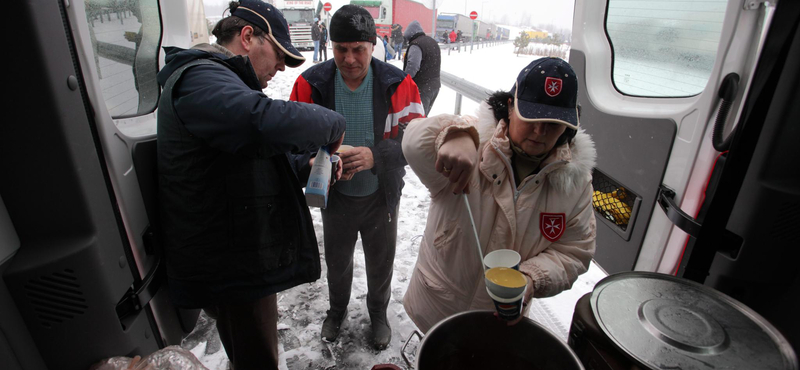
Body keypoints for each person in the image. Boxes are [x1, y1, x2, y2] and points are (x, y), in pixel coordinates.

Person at [156, 1, 346, 368]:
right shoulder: (200, 76)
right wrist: (331, 124)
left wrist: (305, 165)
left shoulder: (220, 81)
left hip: (237, 252)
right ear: (247, 37)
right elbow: (257, 124)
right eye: (279, 56)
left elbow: (248, 156)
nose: (279, 68)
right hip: (229, 262)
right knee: (256, 358)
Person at [401, 57, 597, 333]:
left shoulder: (575, 184)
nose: (540, 132)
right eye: (531, 117)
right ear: (510, 105)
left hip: (499, 323)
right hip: (437, 306)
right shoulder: (476, 142)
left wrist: (532, 277)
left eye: (552, 123)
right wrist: (452, 135)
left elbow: (574, 252)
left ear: (569, 124)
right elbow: (412, 141)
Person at [289, 4, 424, 350]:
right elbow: (290, 145)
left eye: (358, 50)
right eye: (340, 49)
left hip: (381, 196)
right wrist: (321, 162)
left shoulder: (400, 84)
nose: (349, 59)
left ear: (374, 44)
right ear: (331, 46)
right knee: (337, 262)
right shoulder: (310, 85)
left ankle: (377, 313)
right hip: (336, 200)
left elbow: (418, 143)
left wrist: (375, 156)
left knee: (381, 262)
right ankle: (337, 311)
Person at [403, 20, 441, 116]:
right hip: (434, 85)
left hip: (422, 87)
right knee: (423, 116)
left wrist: (403, 81)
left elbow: (413, 66)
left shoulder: (416, 44)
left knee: (417, 119)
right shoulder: (432, 42)